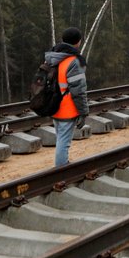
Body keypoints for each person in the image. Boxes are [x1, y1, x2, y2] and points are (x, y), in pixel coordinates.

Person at [47, 27, 89, 167]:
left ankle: (61, 167)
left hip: (53, 105)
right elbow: (79, 91)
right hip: (67, 108)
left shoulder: (53, 57)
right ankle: (61, 171)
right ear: (77, 42)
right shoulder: (73, 62)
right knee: (64, 143)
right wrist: (83, 112)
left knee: (60, 139)